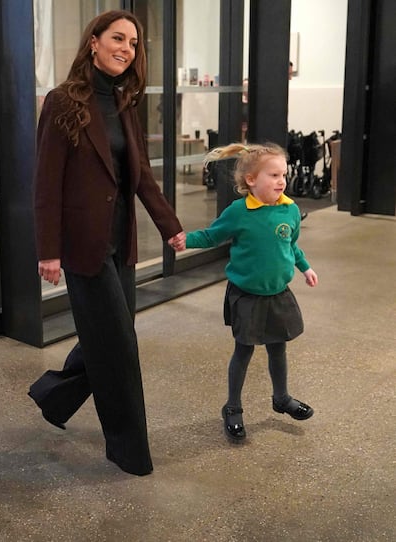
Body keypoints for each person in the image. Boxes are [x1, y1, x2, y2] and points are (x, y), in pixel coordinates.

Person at [28, 10, 185, 476]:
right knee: (118, 347)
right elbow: (45, 183)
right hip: (83, 248)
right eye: (118, 38)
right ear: (93, 42)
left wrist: (168, 224)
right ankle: (129, 449)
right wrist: (48, 249)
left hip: (122, 243)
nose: (127, 49)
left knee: (108, 336)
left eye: (134, 43)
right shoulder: (62, 102)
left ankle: (52, 396)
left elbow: (142, 178)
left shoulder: (124, 103)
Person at [184, 142, 317, 441]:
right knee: (243, 351)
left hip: (278, 294)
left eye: (283, 174)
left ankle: (281, 398)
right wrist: (185, 241)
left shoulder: (290, 209)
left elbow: (291, 245)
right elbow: (211, 235)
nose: (281, 180)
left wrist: (305, 268)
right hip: (247, 296)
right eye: (273, 175)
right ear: (251, 180)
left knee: (278, 347)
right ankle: (232, 407)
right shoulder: (239, 212)